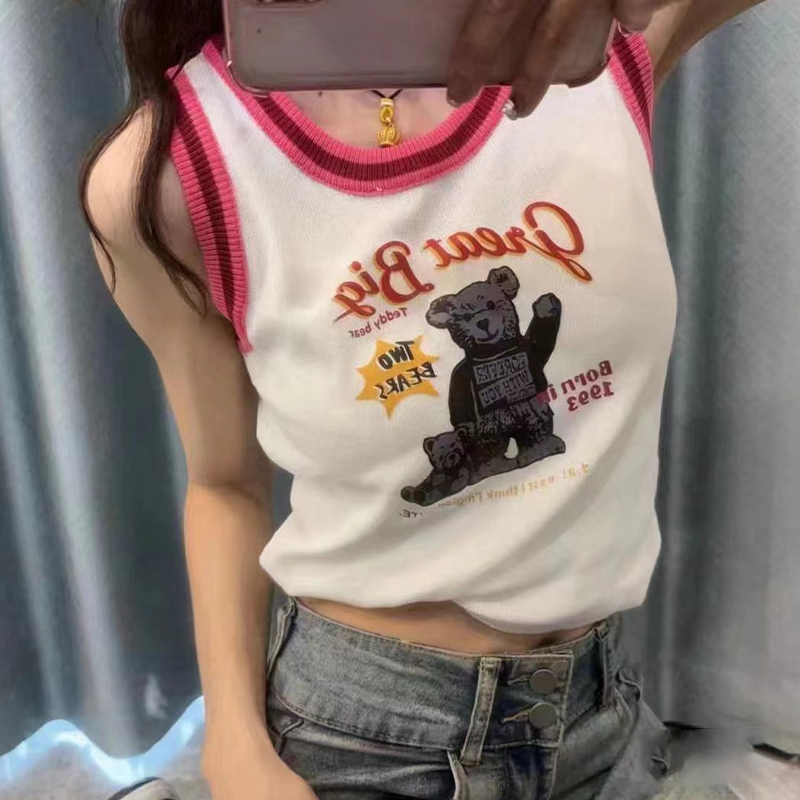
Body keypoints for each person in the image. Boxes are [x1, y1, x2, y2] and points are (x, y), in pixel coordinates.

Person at [85, 2, 768, 799]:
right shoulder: (171, 171)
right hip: (363, 738)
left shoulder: (606, 41)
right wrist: (233, 746)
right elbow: (224, 484)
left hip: (602, 717)